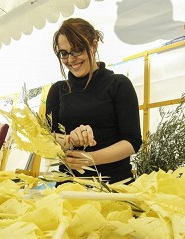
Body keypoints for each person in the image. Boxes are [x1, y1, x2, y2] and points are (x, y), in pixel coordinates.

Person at [46, 18, 142, 185]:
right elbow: (48, 140)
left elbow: (132, 141)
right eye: (64, 53)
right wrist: (70, 139)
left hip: (114, 187)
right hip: (69, 186)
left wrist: (90, 159)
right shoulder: (58, 90)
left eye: (77, 50)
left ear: (94, 45)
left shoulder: (119, 84)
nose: (71, 59)